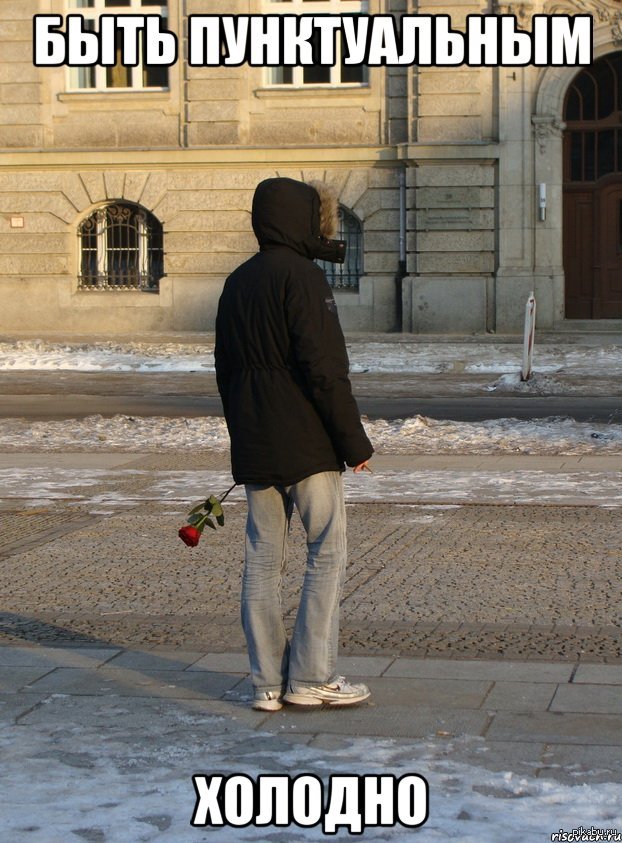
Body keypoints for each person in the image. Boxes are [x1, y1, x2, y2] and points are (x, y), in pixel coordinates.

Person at [214, 177, 374, 711]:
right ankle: (310, 678)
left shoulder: (237, 281)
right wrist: (354, 442)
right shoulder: (304, 278)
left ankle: (265, 684)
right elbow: (326, 370)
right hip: (307, 443)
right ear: (303, 221)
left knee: (261, 561)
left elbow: (225, 371)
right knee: (325, 552)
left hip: (256, 441)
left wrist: (242, 434)